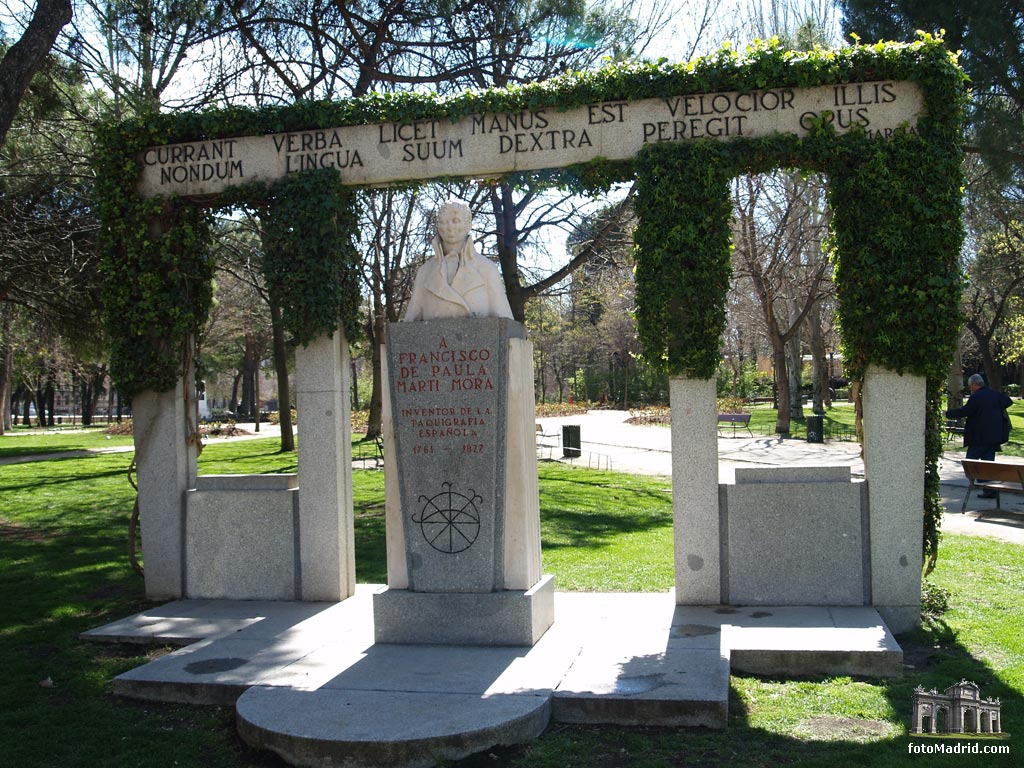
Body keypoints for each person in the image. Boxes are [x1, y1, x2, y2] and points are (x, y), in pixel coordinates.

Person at [403, 201, 514, 321]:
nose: (450, 227)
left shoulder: (486, 269)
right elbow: (409, 325)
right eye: (444, 222)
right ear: (439, 227)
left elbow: (505, 324)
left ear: (468, 225)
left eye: (455, 221)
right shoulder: (425, 271)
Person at [946, 373, 1012, 497]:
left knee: (971, 463)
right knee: (988, 463)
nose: (970, 389)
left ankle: (985, 485)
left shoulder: (976, 398)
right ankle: (989, 489)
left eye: (970, 386)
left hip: (978, 436)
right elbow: (1008, 401)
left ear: (975, 385)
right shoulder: (994, 395)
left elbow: (965, 411)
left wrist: (948, 414)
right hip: (994, 436)